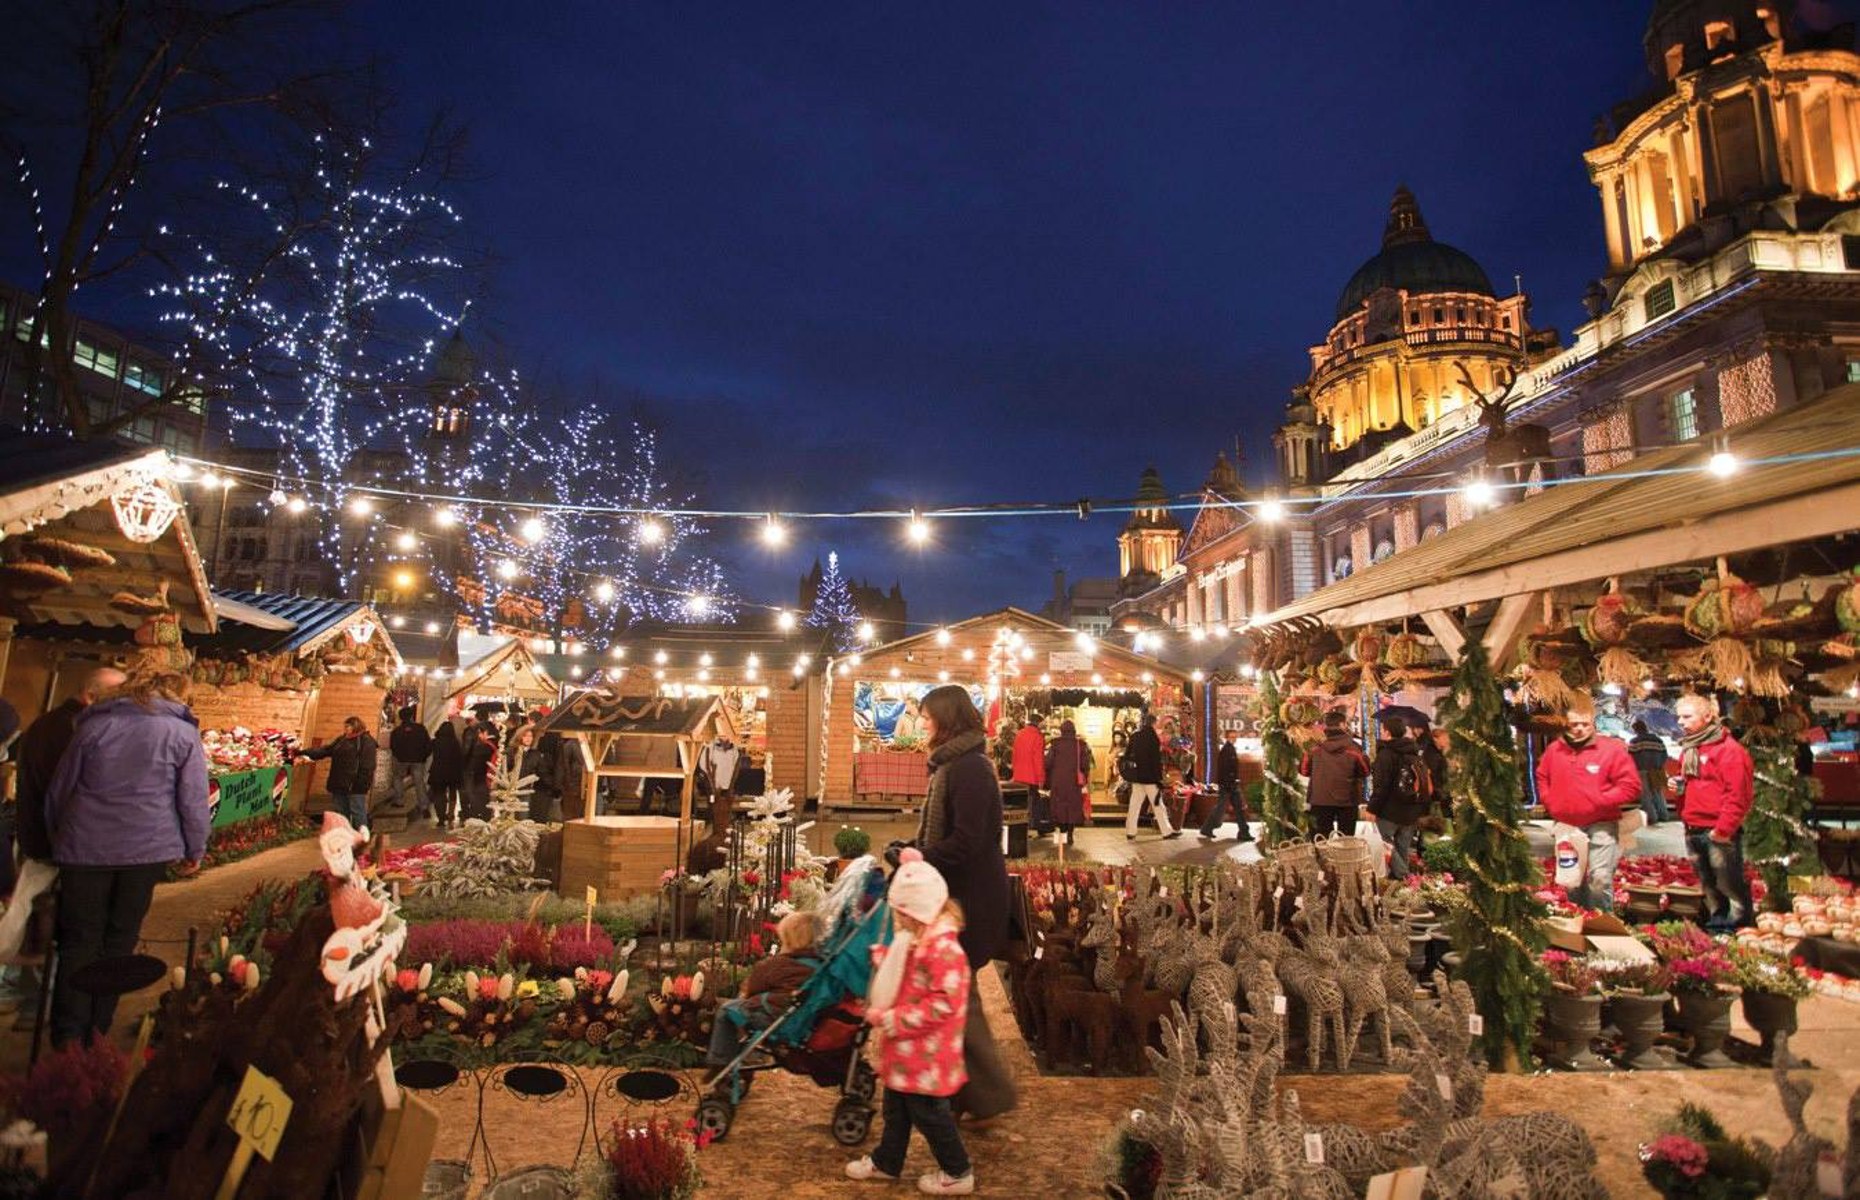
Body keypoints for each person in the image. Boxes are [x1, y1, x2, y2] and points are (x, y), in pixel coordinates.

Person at [44, 665, 208, 1046]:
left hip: (83, 849)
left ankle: (67, 1036)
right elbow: (193, 799)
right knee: (120, 941)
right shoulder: (182, 733)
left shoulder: (94, 726)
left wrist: (60, 837)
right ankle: (98, 1031)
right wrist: (194, 847)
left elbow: (60, 790)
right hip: (145, 851)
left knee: (78, 941)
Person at [912, 684, 1015, 1125]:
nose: (921, 724)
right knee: (954, 993)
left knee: (959, 995)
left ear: (945, 720)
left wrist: (922, 855)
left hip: (972, 899)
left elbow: (967, 840)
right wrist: (913, 848)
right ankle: (971, 1093)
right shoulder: (952, 765)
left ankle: (987, 1093)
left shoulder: (969, 768)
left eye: (926, 717)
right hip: (959, 893)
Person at [845, 848, 975, 1194]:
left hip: (927, 1055)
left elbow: (943, 1004)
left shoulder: (944, 950)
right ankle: (888, 1160)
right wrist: (885, 957)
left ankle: (958, 1170)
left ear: (918, 912)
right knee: (896, 1109)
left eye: (901, 915)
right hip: (909, 1054)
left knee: (930, 1115)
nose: (897, 922)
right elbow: (911, 975)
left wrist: (893, 1020)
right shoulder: (919, 940)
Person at [0, 667, 126, 1012]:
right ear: (92, 696)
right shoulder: (76, 730)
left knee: (33, 918)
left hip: (37, 838)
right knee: (48, 923)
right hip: (58, 846)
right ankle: (38, 1002)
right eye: (118, 698)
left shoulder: (47, 724)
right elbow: (69, 795)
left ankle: (22, 994)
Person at [1534, 707, 1641, 912]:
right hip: (1567, 825)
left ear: (1593, 724)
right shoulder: (1554, 750)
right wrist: (1550, 801)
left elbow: (1631, 785)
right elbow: (1542, 776)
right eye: (1574, 724)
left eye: (1585, 724)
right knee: (1572, 880)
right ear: (1566, 725)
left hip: (1601, 822)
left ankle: (1603, 924)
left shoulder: (1611, 749)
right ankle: (1578, 921)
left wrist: (1601, 800)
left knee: (1599, 878)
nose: (1580, 729)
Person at [1675, 693, 1756, 932]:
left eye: (1687, 716)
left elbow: (1738, 794)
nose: (1680, 722)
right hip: (1694, 827)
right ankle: (1716, 927)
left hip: (1717, 831)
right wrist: (1678, 789)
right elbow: (1690, 786)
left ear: (1708, 716)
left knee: (1729, 884)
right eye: (1679, 716)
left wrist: (1723, 830)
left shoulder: (1730, 751)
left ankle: (1737, 930)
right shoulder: (1690, 749)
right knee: (1709, 885)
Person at [706, 909, 823, 1074]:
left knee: (726, 1011)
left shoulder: (779, 965)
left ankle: (719, 1063)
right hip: (801, 1024)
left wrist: (749, 996)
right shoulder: (819, 967)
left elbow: (753, 987)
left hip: (773, 1020)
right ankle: (741, 1059)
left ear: (789, 941)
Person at [1367, 717, 1430, 878]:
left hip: (1390, 810)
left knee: (1385, 843)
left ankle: (1405, 877)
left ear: (1387, 732)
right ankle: (1403, 885)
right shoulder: (1414, 752)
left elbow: (1381, 785)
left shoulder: (1386, 754)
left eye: (1382, 729)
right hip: (1411, 808)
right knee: (1403, 846)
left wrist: (1372, 808)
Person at [297, 716, 379, 831]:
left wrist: (362, 783)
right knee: (340, 812)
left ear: (356, 726)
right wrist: (304, 752)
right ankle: (344, 835)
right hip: (339, 782)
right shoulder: (342, 739)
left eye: (348, 726)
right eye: (345, 726)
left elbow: (368, 765)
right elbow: (326, 750)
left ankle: (362, 838)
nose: (345, 729)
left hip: (355, 785)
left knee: (357, 812)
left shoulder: (366, 741)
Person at [1301, 710, 1370, 837]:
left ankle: (1322, 857)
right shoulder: (1354, 748)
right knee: (1347, 843)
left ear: (1325, 726)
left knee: (1321, 841)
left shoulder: (1313, 748)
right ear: (1343, 724)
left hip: (1319, 799)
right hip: (1347, 800)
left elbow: (1304, 770)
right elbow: (1365, 771)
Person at [1121, 713, 1179, 840]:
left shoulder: (1135, 736)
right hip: (1150, 778)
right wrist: (1159, 778)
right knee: (1158, 804)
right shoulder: (1153, 738)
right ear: (1153, 723)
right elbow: (1155, 760)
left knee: (1134, 805)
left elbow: (1127, 755)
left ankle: (1130, 831)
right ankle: (1166, 831)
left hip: (1137, 777)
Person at [1042, 719, 1092, 848]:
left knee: (1060, 807)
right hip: (1074, 783)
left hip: (1058, 782)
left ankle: (1062, 832)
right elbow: (1085, 765)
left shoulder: (1055, 744)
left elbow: (1047, 763)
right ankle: (1070, 833)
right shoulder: (1080, 744)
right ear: (1074, 730)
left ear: (1061, 730)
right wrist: (1084, 778)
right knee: (1072, 807)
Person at [1200, 728, 1251, 841]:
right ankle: (1243, 832)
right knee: (1226, 808)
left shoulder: (1229, 749)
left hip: (1229, 784)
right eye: (1231, 737)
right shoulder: (1227, 750)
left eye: (1235, 737)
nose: (1234, 739)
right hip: (1229, 785)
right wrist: (1230, 783)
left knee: (1235, 808)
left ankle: (1243, 832)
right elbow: (1224, 769)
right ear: (1227, 738)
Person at [387, 706, 432, 821]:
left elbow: (393, 746)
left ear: (400, 718)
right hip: (418, 760)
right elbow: (428, 744)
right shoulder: (420, 729)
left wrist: (399, 756)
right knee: (419, 782)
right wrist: (423, 756)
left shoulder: (397, 731)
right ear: (412, 716)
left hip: (401, 760)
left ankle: (399, 800)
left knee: (397, 778)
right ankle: (424, 806)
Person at [1628, 719, 1674, 824]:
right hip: (1657, 770)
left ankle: (1652, 817)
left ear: (1636, 729)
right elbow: (1664, 755)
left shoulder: (1635, 741)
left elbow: (1630, 757)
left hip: (1642, 771)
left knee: (1646, 795)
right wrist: (1659, 766)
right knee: (1658, 793)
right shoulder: (1658, 740)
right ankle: (1664, 815)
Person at [1010, 717, 1047, 832]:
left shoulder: (1019, 734)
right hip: (1031, 777)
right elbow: (1038, 760)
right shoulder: (1038, 737)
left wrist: (1014, 771)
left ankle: (1021, 826)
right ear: (1038, 723)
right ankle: (1031, 826)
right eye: (1043, 723)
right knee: (1032, 802)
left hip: (1018, 775)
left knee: (1021, 804)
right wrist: (1041, 778)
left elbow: (1014, 755)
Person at [427, 719, 465, 829]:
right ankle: (451, 814)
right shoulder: (455, 742)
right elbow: (460, 758)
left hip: (438, 771)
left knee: (439, 794)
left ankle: (441, 818)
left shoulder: (435, 742)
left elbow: (427, 752)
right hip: (453, 771)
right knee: (453, 792)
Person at [461, 710, 499, 821]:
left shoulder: (483, 747)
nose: (478, 735)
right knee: (485, 804)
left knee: (478, 804)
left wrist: (469, 770)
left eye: (479, 733)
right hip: (488, 778)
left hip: (480, 779)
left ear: (485, 732)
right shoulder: (494, 745)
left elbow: (475, 765)